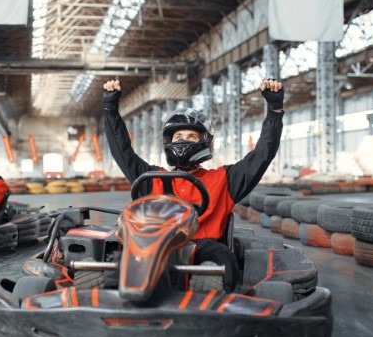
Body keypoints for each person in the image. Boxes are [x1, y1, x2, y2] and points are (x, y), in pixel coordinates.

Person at [102, 78, 284, 292]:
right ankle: (115, 294)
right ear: (169, 142)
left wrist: (274, 111)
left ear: (204, 141)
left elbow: (262, 155)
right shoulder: (151, 178)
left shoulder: (224, 179)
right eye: (178, 136)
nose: (183, 141)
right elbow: (121, 150)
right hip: (155, 246)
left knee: (222, 257)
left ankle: (210, 294)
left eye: (191, 136)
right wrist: (110, 108)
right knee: (120, 256)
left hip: (204, 247)